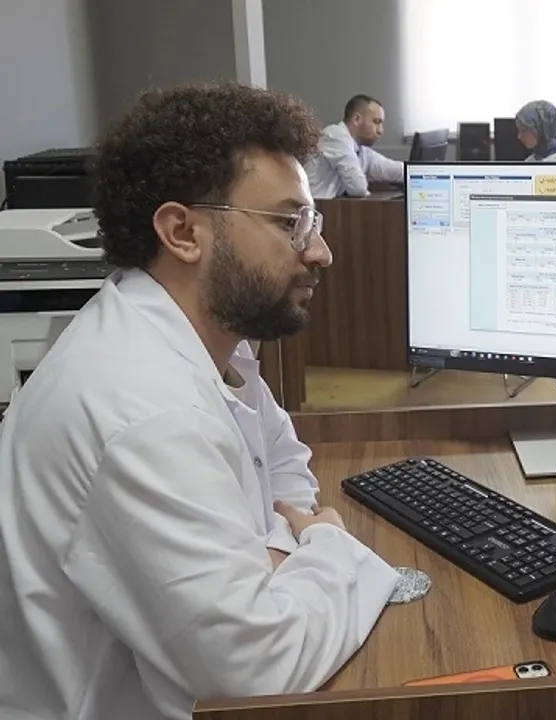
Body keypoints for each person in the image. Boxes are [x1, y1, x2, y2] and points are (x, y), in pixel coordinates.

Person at [0, 82, 400, 720]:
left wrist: (273, 558)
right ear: (183, 232)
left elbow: (287, 470)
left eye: (312, 221)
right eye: (289, 222)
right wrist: (324, 544)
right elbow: (261, 671)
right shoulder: (142, 407)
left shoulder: (202, 342)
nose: (319, 251)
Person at [306, 93, 404, 198]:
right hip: (311, 205)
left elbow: (397, 170)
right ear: (356, 119)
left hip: (328, 205)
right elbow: (358, 188)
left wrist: (415, 171)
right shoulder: (335, 135)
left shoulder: (361, 151)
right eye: (376, 122)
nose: (381, 131)